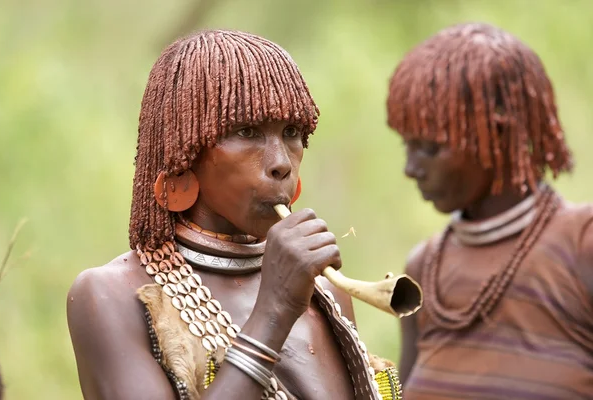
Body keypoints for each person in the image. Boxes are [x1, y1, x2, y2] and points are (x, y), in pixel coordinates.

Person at [67, 30, 405, 400]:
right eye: (246, 132)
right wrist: (274, 311)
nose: (280, 164)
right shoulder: (113, 295)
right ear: (184, 152)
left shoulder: (324, 292)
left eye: (291, 133)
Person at [387, 23, 593, 399]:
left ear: (496, 130)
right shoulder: (425, 268)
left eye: (430, 148)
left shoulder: (582, 244)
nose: (410, 168)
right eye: (407, 145)